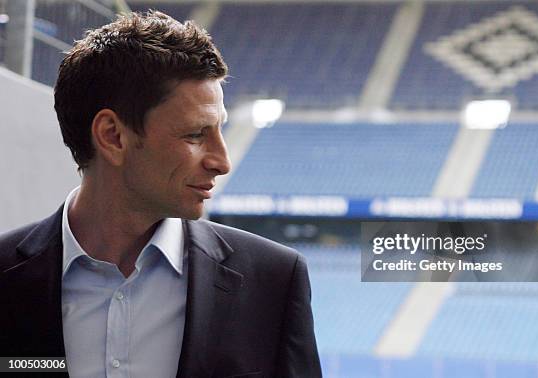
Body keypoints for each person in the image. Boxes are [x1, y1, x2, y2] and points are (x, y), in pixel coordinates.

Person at [0, 11, 321, 378]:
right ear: (113, 136)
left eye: (220, 130)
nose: (222, 161)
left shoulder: (273, 281)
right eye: (195, 135)